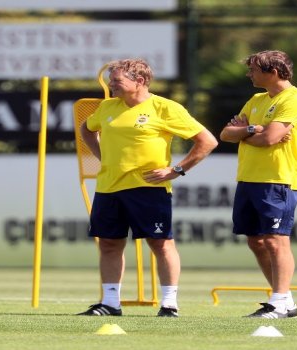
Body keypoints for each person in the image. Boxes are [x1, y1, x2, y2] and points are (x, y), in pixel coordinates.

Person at [77, 58, 218, 317]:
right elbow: (86, 130)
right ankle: (110, 303)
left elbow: (207, 141)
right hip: (108, 187)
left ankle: (169, 304)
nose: (111, 85)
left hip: (148, 188)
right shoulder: (108, 107)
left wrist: (176, 169)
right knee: (108, 243)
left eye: (117, 81)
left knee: (161, 243)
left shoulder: (165, 108)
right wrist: (104, 158)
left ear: (139, 81)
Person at [219, 50, 297, 319]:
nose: (249, 74)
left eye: (253, 70)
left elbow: (270, 139)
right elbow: (226, 134)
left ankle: (279, 302)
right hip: (248, 178)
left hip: (278, 179)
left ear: (272, 72)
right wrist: (253, 129)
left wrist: (252, 132)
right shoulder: (257, 99)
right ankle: (285, 300)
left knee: (276, 240)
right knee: (256, 241)